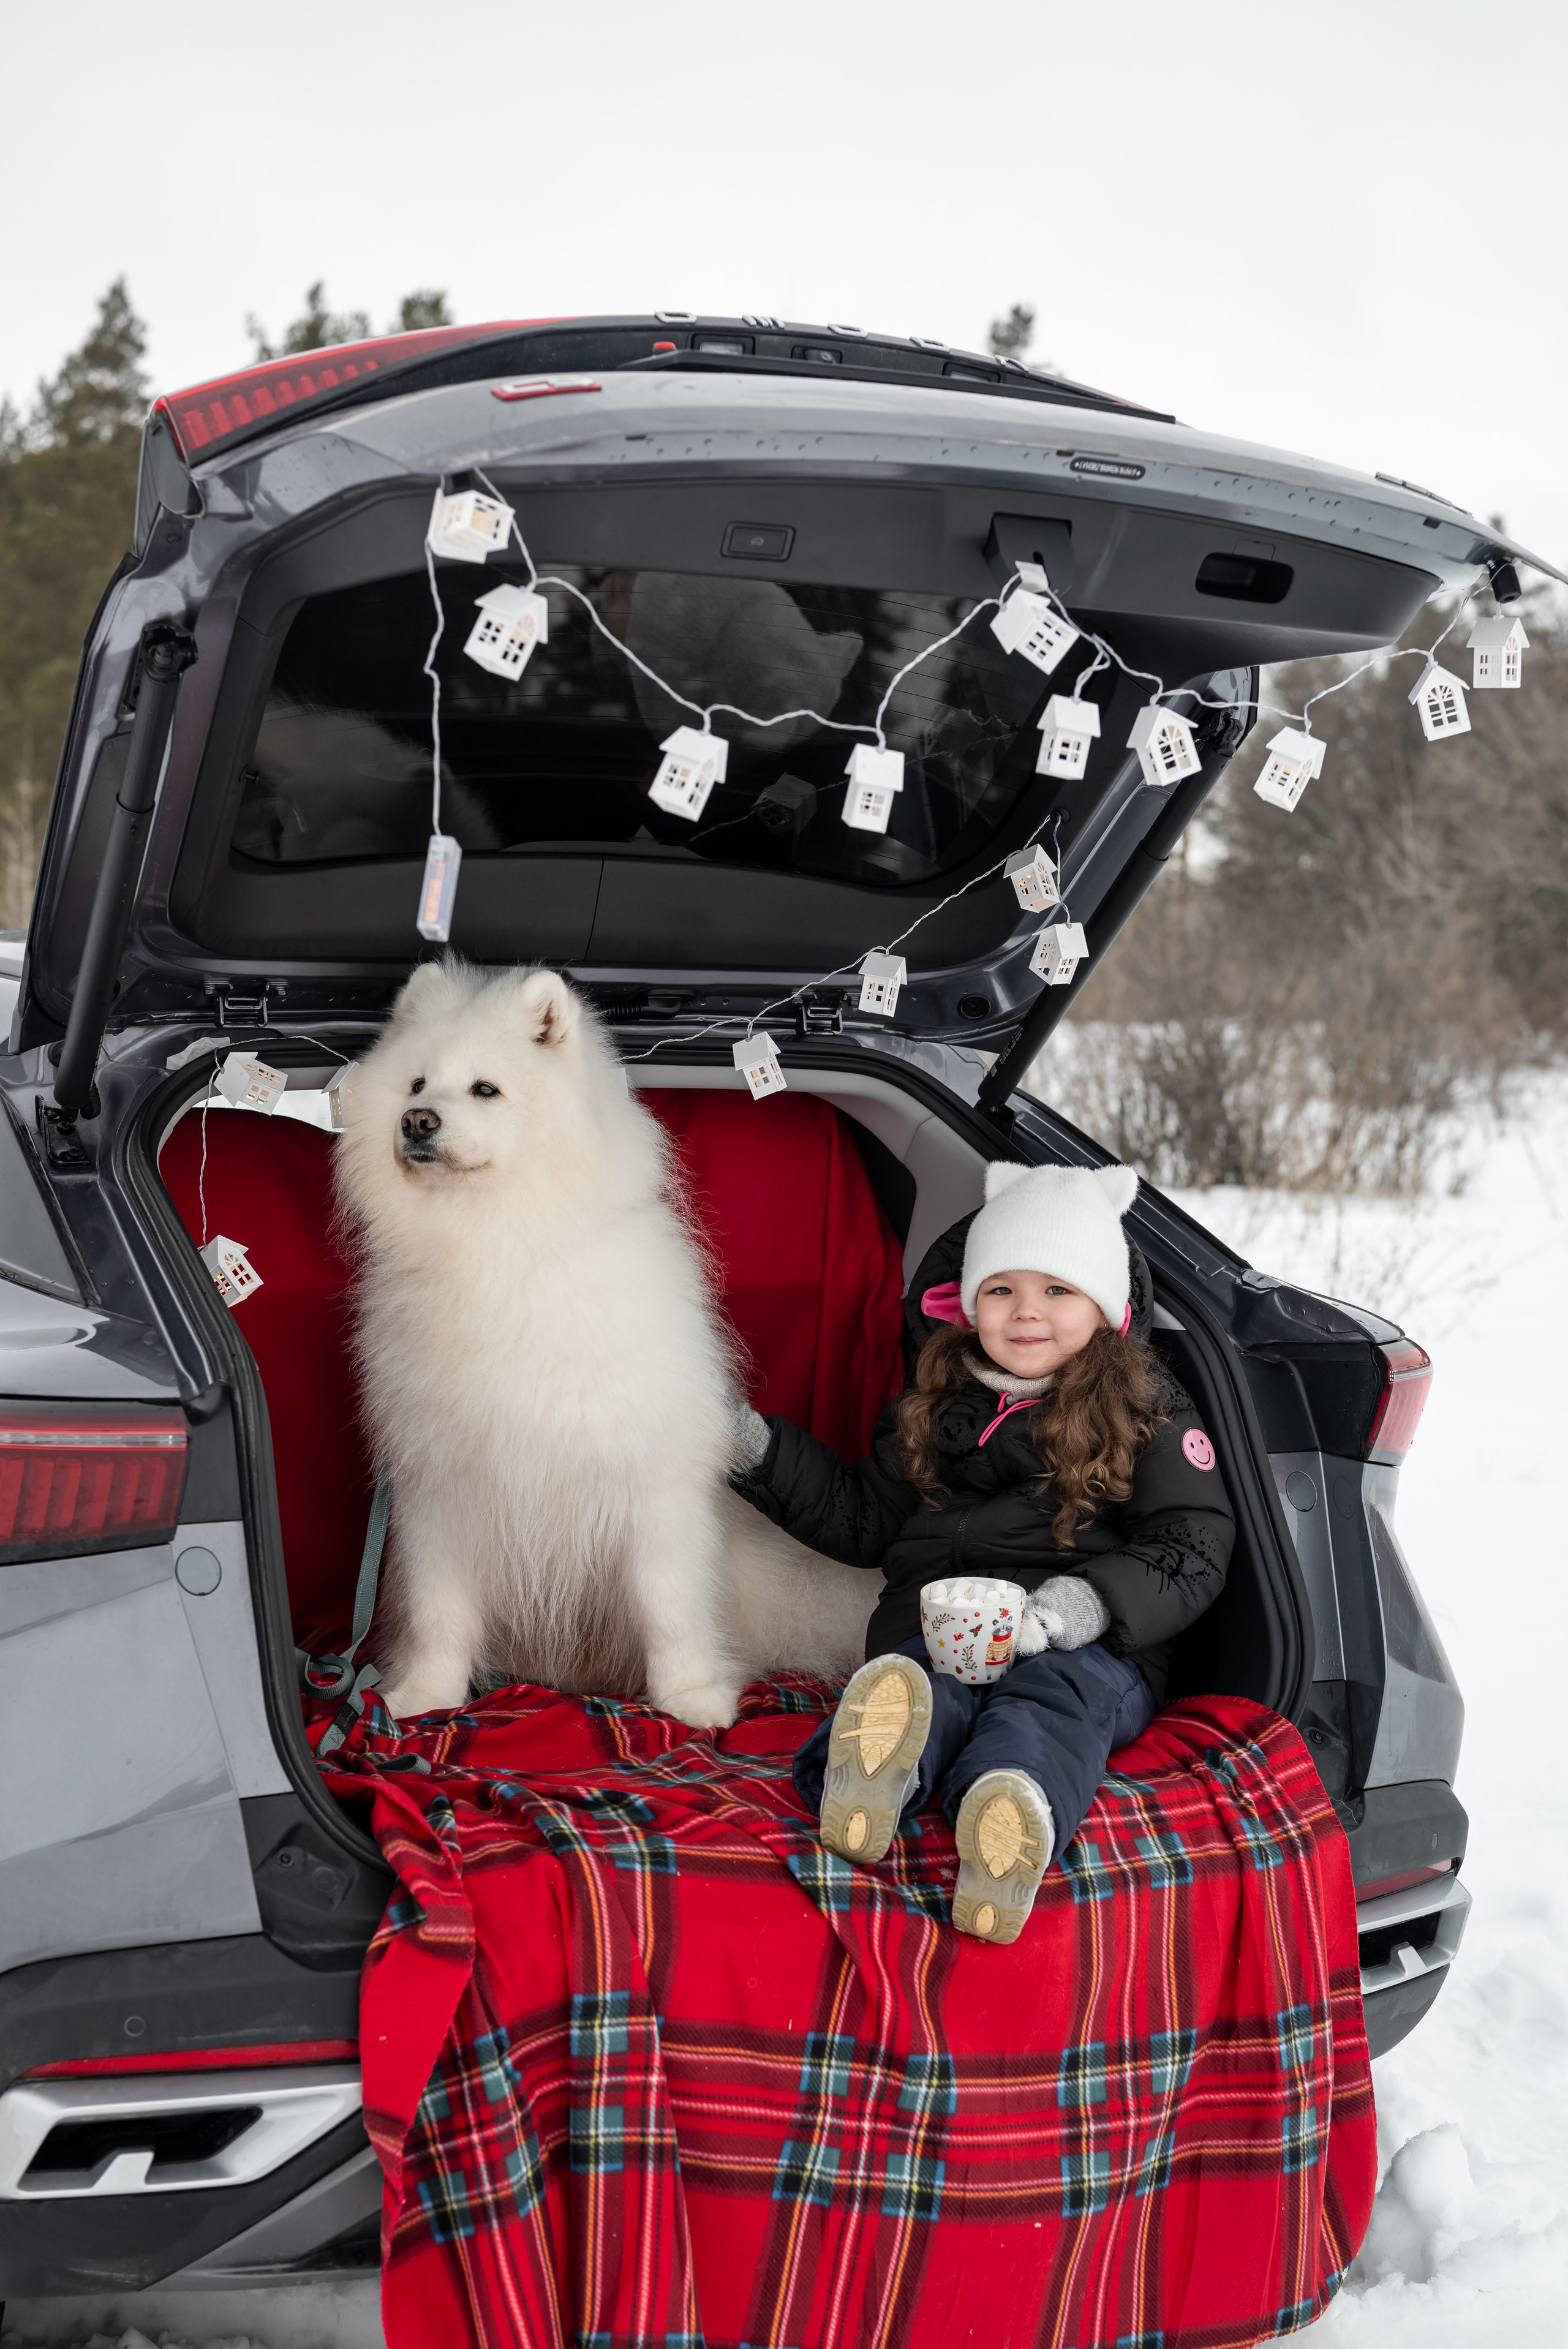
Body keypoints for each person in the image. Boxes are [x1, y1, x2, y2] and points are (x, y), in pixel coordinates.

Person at [730, 1162, 1234, 1943]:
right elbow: (864, 1519)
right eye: (1001, 1290)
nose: (1026, 1312)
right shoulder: (934, 1400)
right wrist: (758, 1451)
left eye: (1057, 1290)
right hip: (943, 1632)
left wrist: (1084, 1606)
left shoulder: (1145, 1406)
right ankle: (867, 1778)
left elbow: (1192, 1543)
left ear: (1104, 1307)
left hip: (1090, 1641)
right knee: (923, 1689)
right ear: (966, 1304)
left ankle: (1008, 1810)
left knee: (1052, 1700)